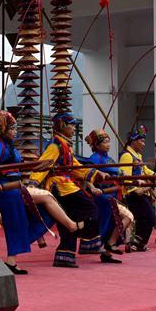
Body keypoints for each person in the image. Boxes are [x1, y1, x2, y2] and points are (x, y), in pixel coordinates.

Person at [0, 111, 78, 275]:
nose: (15, 132)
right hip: (7, 190)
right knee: (19, 221)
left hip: (15, 188)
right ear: (3, 130)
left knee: (39, 211)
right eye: (12, 129)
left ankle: (12, 261)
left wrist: (41, 166)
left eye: (15, 129)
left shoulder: (10, 147)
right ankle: (71, 225)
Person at [29, 113, 121, 268]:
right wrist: (33, 183)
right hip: (61, 186)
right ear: (62, 126)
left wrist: (97, 173)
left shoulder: (64, 145)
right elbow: (43, 165)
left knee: (71, 217)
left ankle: (65, 255)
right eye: (71, 125)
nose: (73, 128)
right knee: (90, 208)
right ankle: (88, 241)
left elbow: (76, 167)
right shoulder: (55, 146)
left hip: (67, 185)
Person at [84, 129, 134, 254]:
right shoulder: (95, 158)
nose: (108, 144)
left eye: (108, 142)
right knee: (127, 216)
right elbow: (86, 174)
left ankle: (111, 243)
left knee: (125, 218)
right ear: (97, 145)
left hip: (114, 194)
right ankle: (105, 242)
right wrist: (93, 188)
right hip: (102, 196)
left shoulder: (110, 159)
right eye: (105, 142)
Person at [118, 126, 156, 252]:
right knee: (148, 216)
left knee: (147, 217)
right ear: (133, 141)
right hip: (132, 193)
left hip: (141, 191)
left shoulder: (137, 155)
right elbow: (125, 178)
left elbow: (145, 170)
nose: (144, 144)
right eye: (142, 141)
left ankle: (138, 243)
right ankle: (136, 243)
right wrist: (140, 187)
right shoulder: (127, 156)